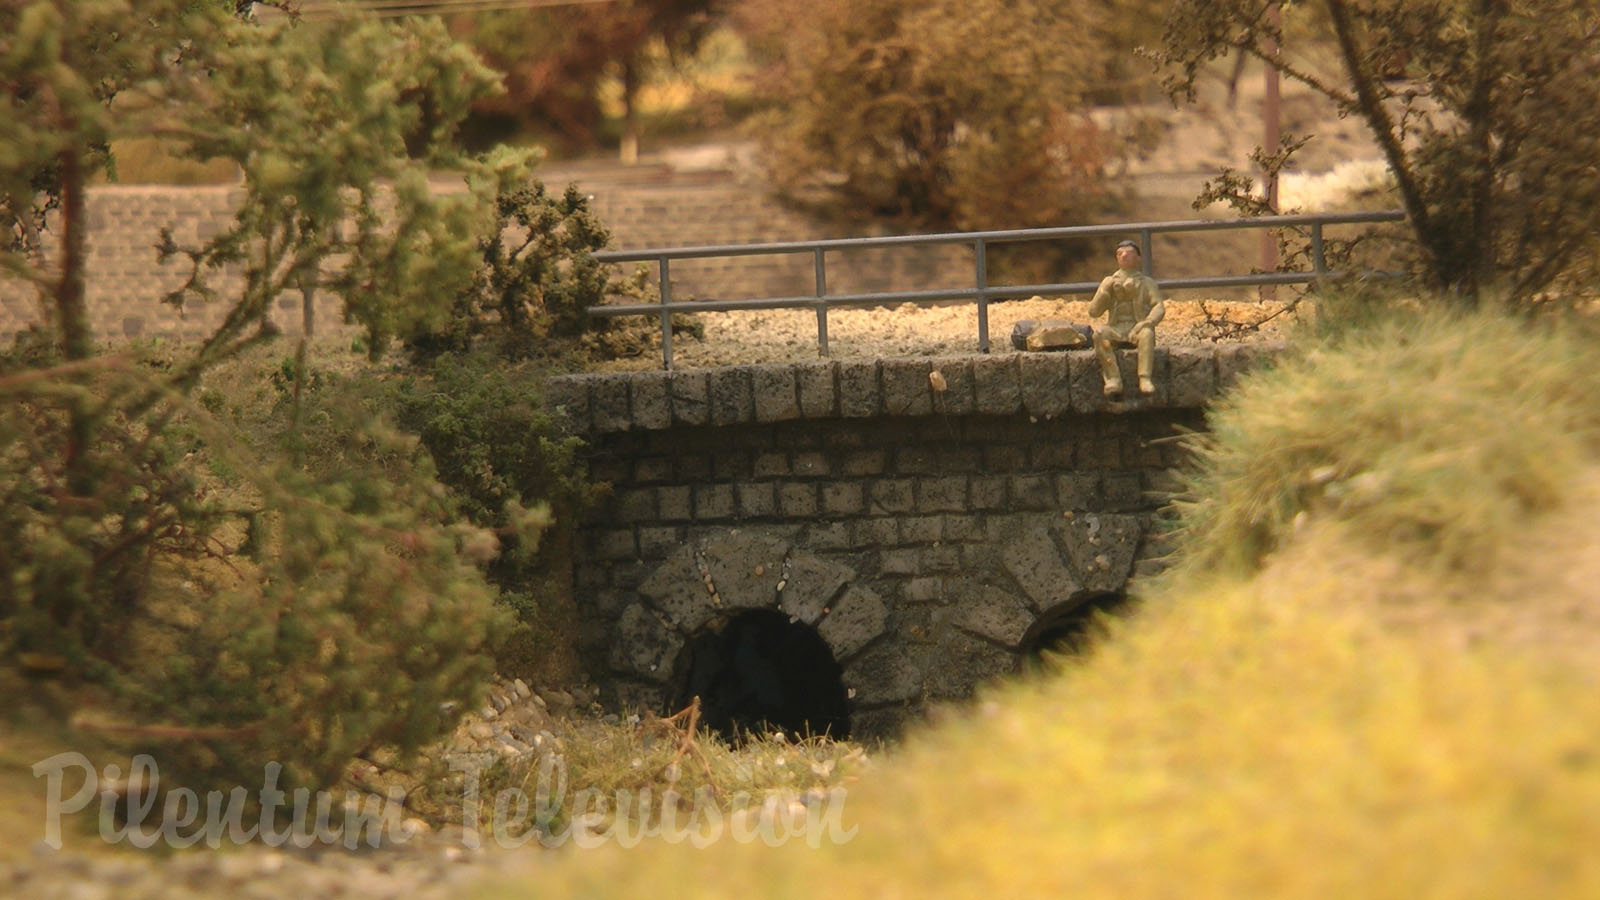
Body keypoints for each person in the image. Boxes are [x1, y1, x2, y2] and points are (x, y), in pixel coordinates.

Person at [1087, 239, 1164, 396]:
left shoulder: (1146, 283)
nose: (1124, 257)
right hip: (1115, 327)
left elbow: (1159, 306)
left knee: (1147, 334)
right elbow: (1094, 312)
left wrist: (1148, 322)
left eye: (1129, 254)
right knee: (1100, 334)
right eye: (1120, 254)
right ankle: (1113, 378)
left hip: (1136, 327)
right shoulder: (1109, 282)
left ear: (1138, 258)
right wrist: (1105, 292)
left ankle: (1145, 377)